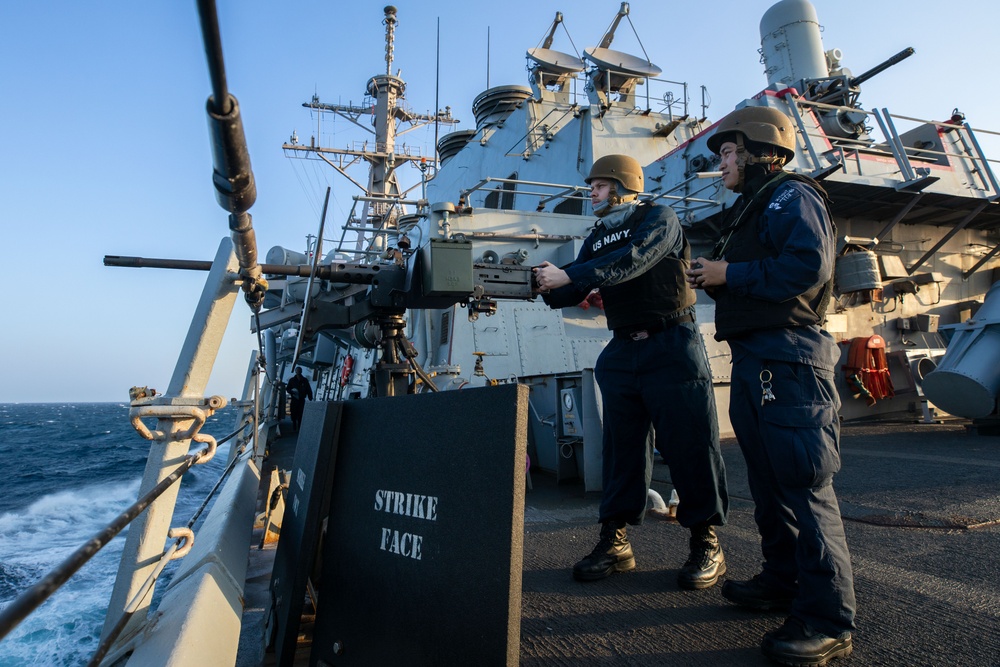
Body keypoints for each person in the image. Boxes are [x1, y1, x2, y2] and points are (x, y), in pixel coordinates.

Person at [686, 105, 855, 666]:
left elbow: (807, 267)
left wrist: (727, 273)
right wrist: (716, 273)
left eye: (729, 152)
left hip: (789, 356)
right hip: (759, 357)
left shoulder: (790, 196)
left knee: (803, 485)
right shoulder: (752, 208)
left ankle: (828, 619)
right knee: (767, 481)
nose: (722, 163)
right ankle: (783, 583)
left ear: (762, 150)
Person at [534, 154, 729, 590]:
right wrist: (537, 283)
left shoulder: (658, 218)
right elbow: (575, 288)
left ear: (622, 186)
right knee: (621, 449)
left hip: (672, 344)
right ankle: (615, 541)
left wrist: (568, 274)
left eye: (599, 186)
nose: (592, 193)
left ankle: (706, 542)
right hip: (622, 349)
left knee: (689, 444)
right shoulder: (599, 234)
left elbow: (634, 259)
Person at [286, 366, 313, 431]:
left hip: (301, 399)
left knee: (301, 413)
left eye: (299, 370)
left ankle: (300, 427)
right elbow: (288, 389)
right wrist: (292, 392)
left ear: (301, 371)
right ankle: (294, 426)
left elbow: (308, 389)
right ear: (296, 371)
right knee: (294, 413)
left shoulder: (305, 380)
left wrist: (310, 397)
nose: (298, 371)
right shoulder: (292, 380)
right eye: (297, 370)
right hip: (294, 399)